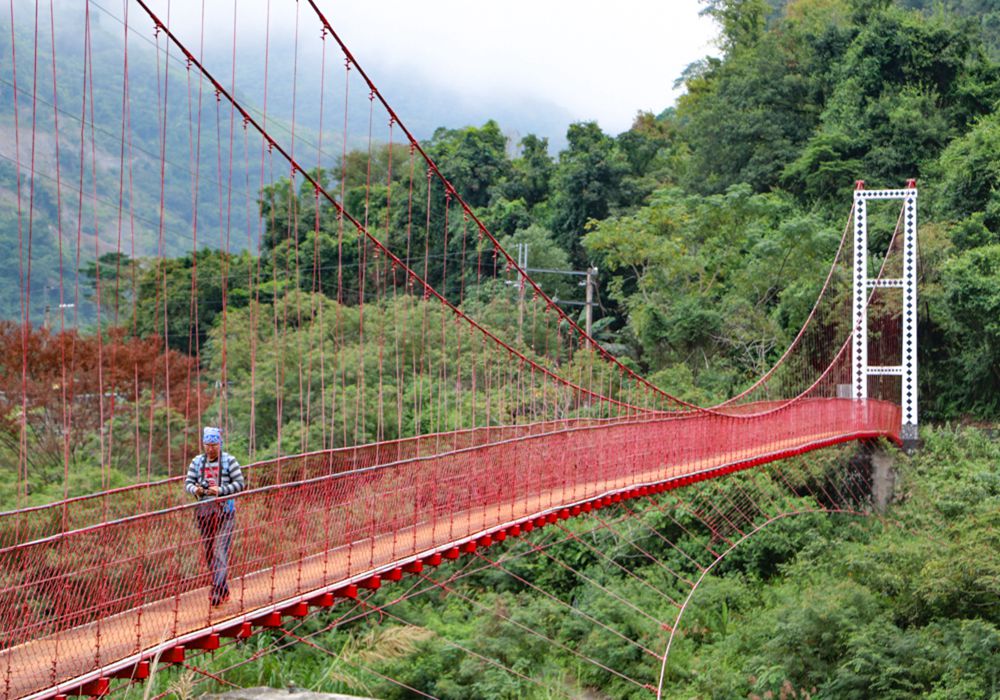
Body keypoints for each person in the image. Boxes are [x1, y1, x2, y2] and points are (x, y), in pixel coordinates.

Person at [185, 426, 245, 606]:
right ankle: (223, 588)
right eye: (207, 444)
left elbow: (240, 484)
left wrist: (221, 490)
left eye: (214, 444)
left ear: (220, 444)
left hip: (225, 512)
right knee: (210, 552)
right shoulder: (197, 462)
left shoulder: (230, 461)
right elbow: (187, 483)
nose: (210, 448)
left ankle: (217, 590)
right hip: (204, 512)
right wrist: (196, 489)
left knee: (219, 550)